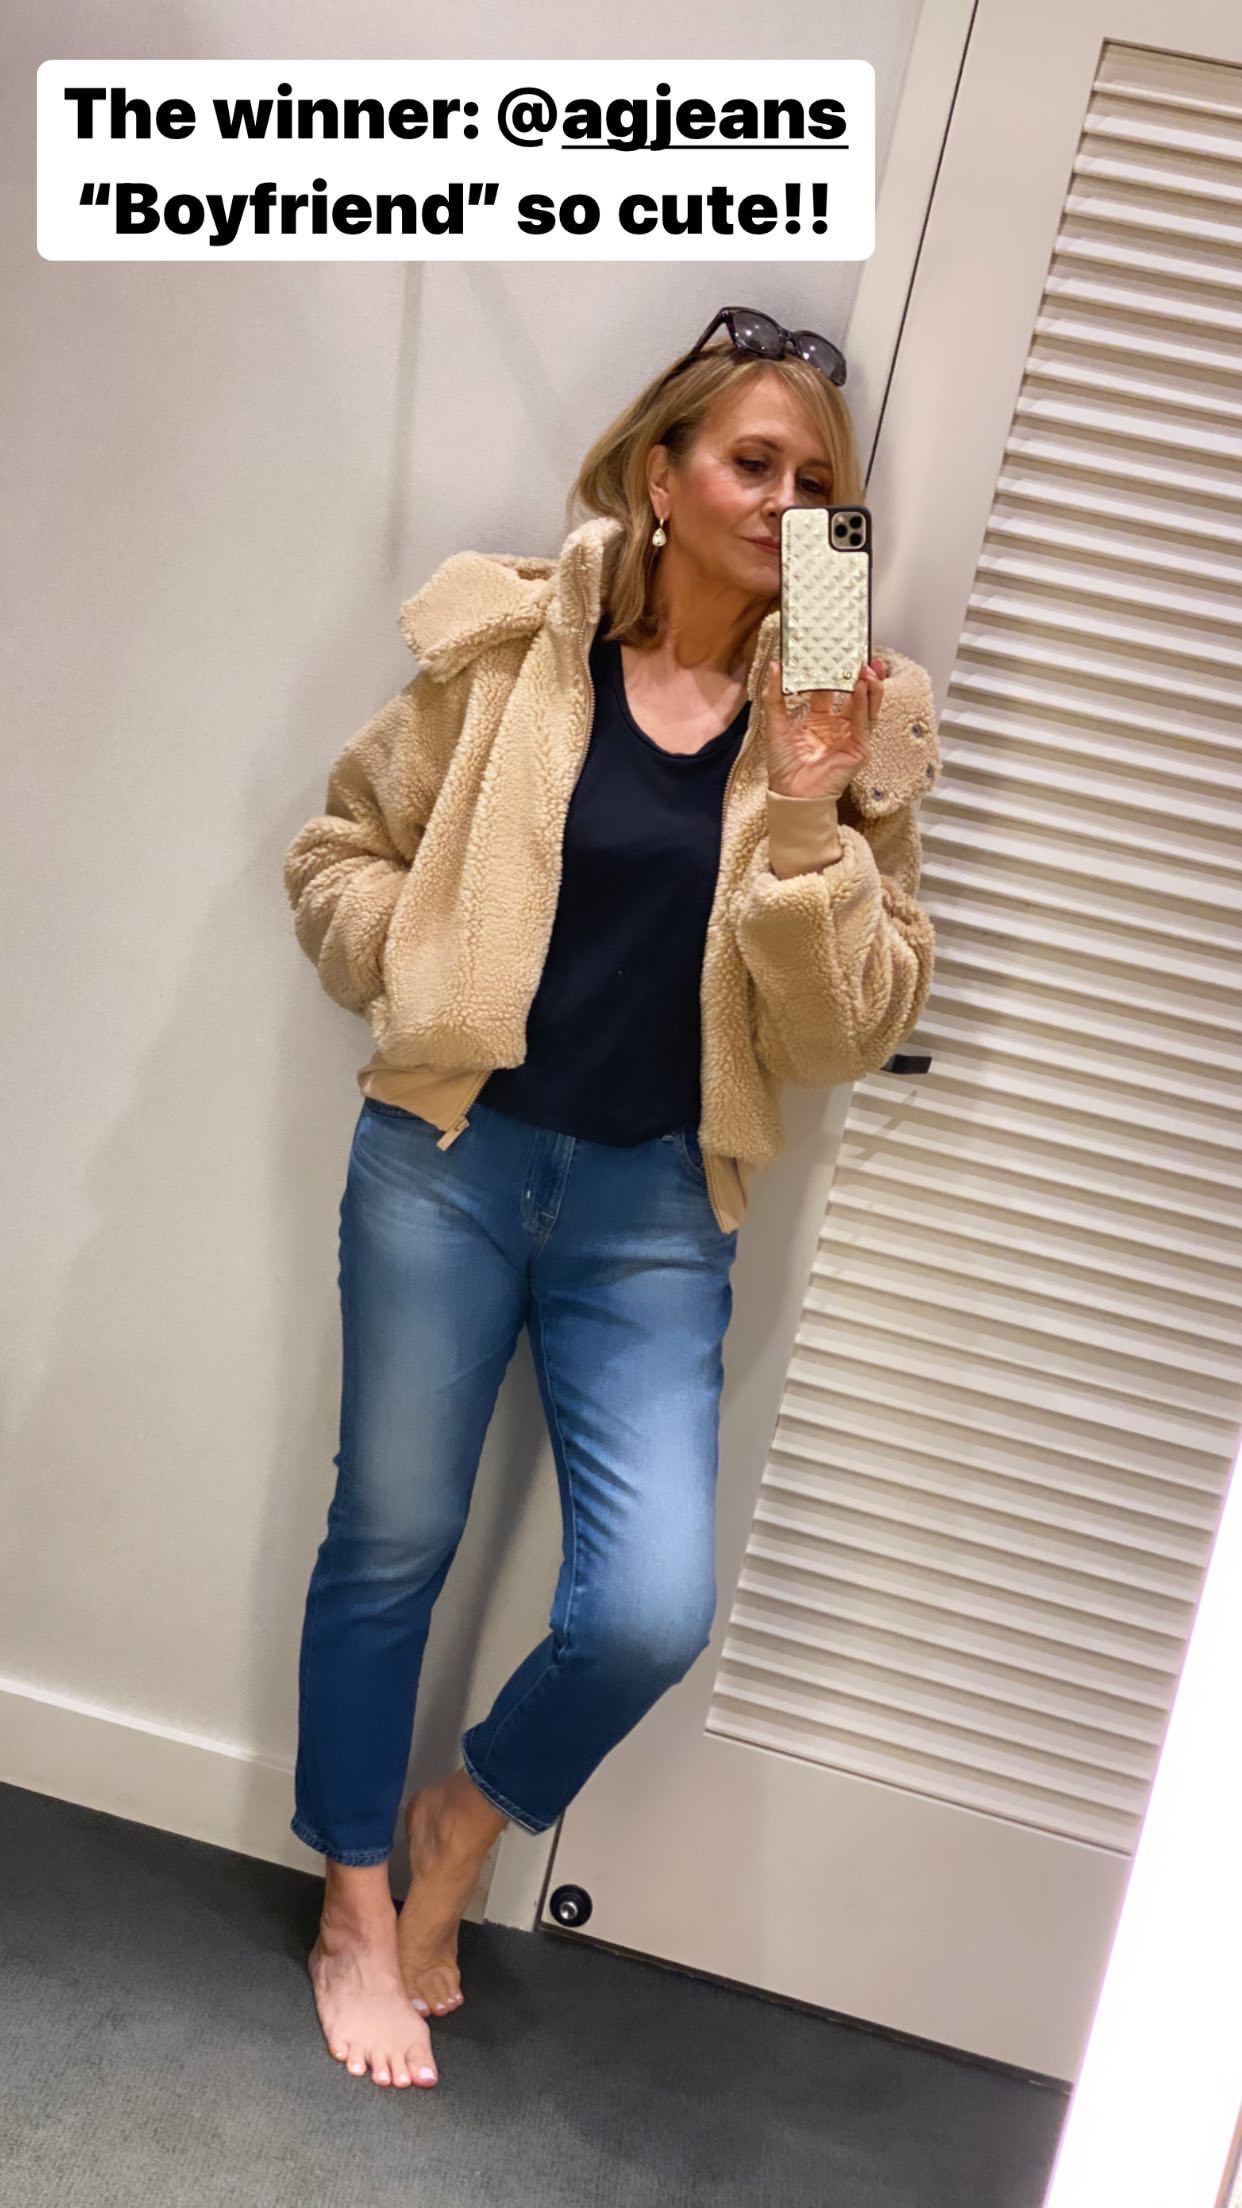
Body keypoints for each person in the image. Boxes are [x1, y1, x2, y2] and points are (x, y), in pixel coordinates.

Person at [281, 305, 941, 2091]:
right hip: (446, 1163)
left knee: (648, 1608)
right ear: (661, 476)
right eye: (751, 462)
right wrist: (417, 965)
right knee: (387, 1542)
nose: (784, 501)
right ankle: (353, 1903)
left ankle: (461, 1821)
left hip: (655, 1211)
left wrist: (803, 815)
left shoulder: (855, 718)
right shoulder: (511, 649)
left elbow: (844, 1035)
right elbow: (338, 847)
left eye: (817, 482)